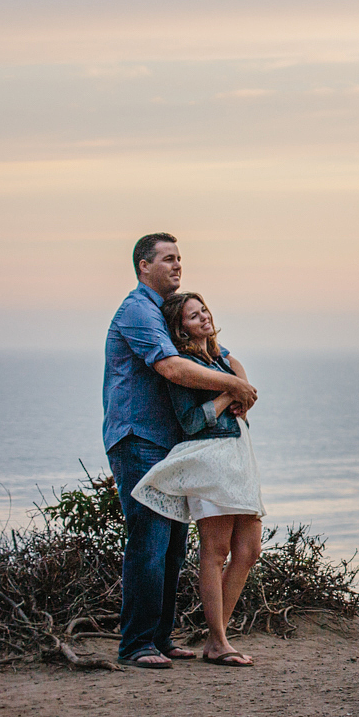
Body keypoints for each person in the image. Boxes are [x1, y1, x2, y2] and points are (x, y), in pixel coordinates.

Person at [102, 234, 258, 669]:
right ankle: (136, 645)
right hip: (137, 437)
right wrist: (232, 387)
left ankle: (161, 637)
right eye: (168, 259)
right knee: (149, 539)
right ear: (142, 265)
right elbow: (170, 366)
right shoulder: (137, 310)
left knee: (172, 543)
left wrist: (237, 382)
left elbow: (221, 354)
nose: (177, 266)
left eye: (179, 259)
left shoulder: (166, 314)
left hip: (172, 444)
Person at [132, 292, 266, 666]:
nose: (203, 316)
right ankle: (221, 642)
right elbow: (191, 422)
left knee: (249, 550)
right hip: (210, 461)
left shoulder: (226, 358)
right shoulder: (185, 368)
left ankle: (214, 640)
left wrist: (236, 385)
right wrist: (228, 391)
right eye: (193, 316)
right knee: (216, 551)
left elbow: (248, 398)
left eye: (203, 309)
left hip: (240, 457)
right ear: (181, 328)